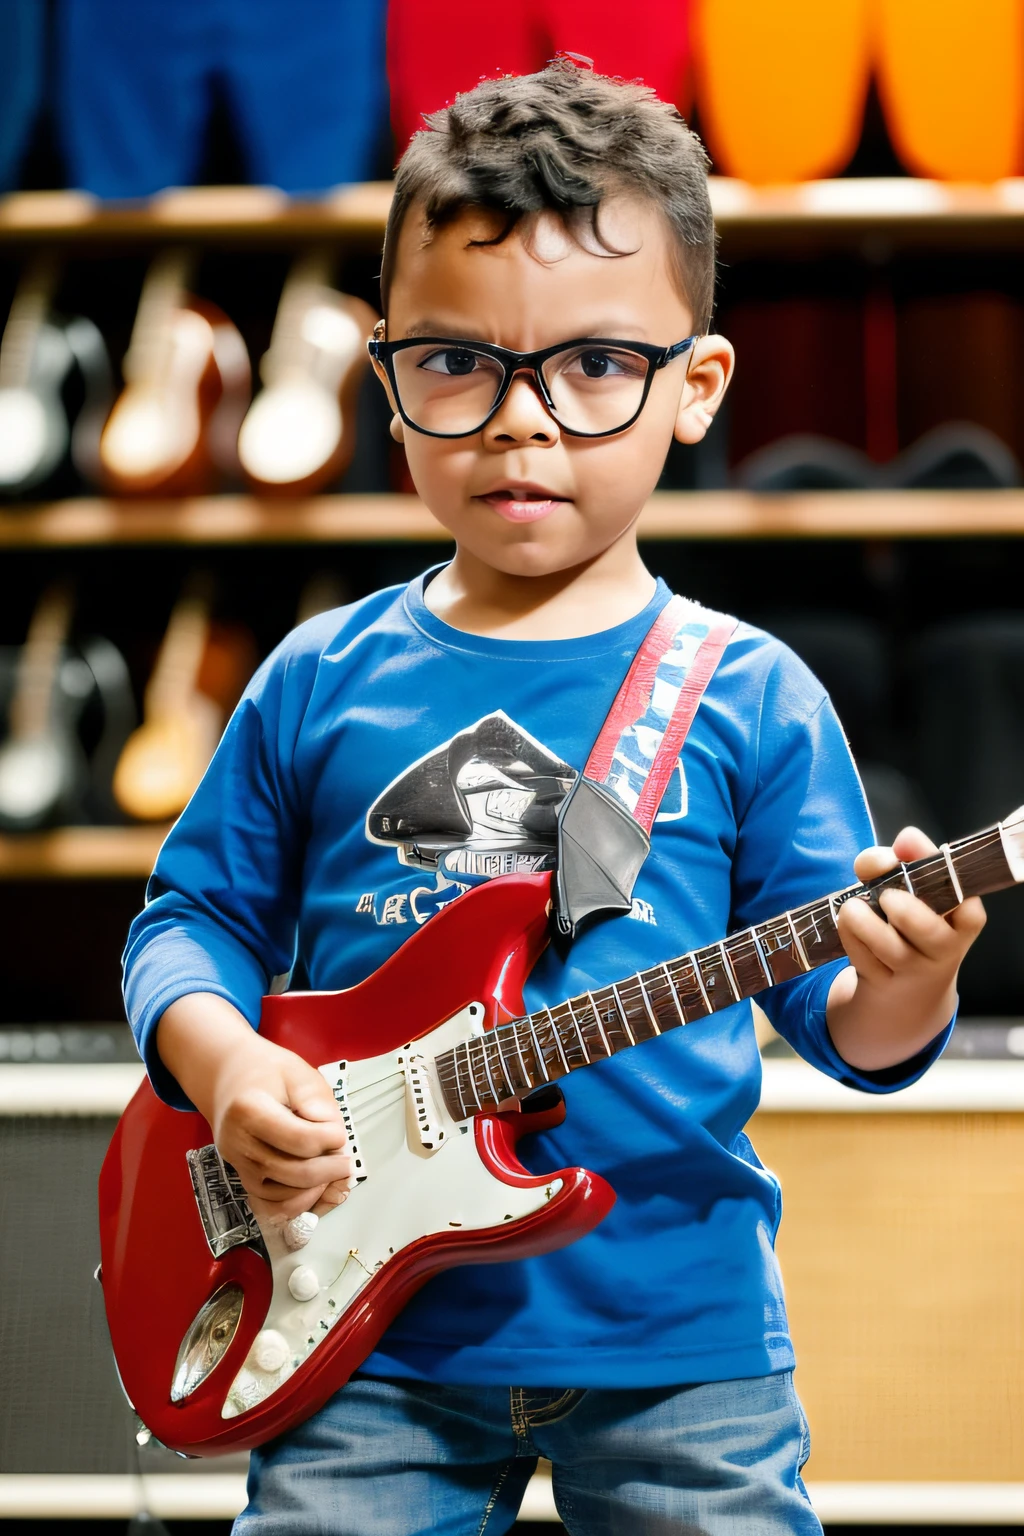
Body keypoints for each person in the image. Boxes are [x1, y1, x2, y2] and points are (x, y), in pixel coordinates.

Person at [122, 59, 986, 1536]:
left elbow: (847, 1031)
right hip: (359, 1333)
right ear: (384, 380)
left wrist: (913, 982)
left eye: (595, 366)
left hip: (679, 1343)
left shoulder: (751, 692)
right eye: (457, 363)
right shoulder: (320, 675)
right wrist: (221, 1065)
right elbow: (185, 920)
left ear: (697, 386)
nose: (522, 421)